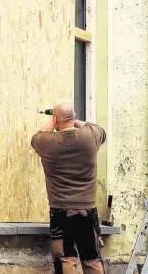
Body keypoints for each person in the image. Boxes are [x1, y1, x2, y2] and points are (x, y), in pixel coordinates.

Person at [31, 103, 107, 274]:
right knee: (92, 258)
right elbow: (94, 127)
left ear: (56, 120)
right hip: (87, 209)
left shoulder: (47, 142)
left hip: (61, 211)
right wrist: (71, 119)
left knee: (66, 258)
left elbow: (37, 136)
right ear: (73, 118)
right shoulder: (90, 137)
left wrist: (53, 121)